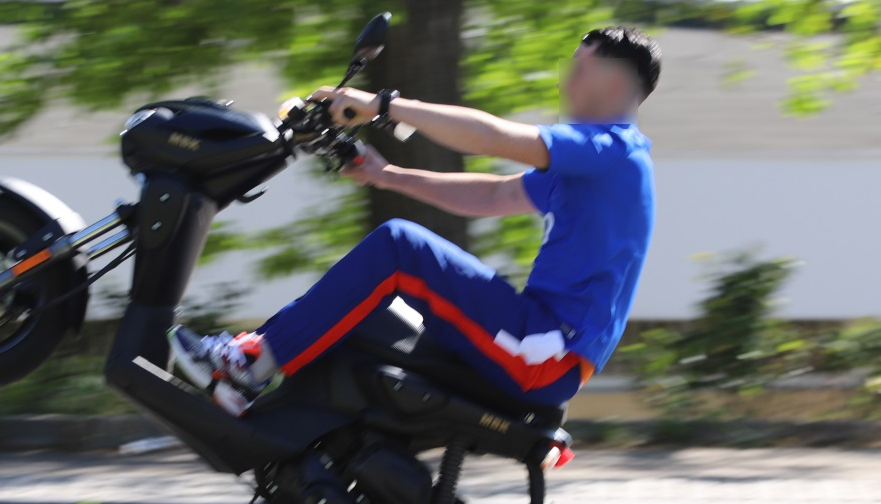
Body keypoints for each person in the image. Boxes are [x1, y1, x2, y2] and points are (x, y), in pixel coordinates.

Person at [170, 26, 661, 416]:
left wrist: (382, 106)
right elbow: (495, 194)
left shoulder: (613, 150)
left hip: (547, 352)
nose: (566, 79)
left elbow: (494, 139)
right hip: (539, 340)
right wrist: (389, 176)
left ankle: (249, 366)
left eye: (580, 69)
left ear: (616, 82)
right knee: (379, 306)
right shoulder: (593, 166)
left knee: (399, 246)